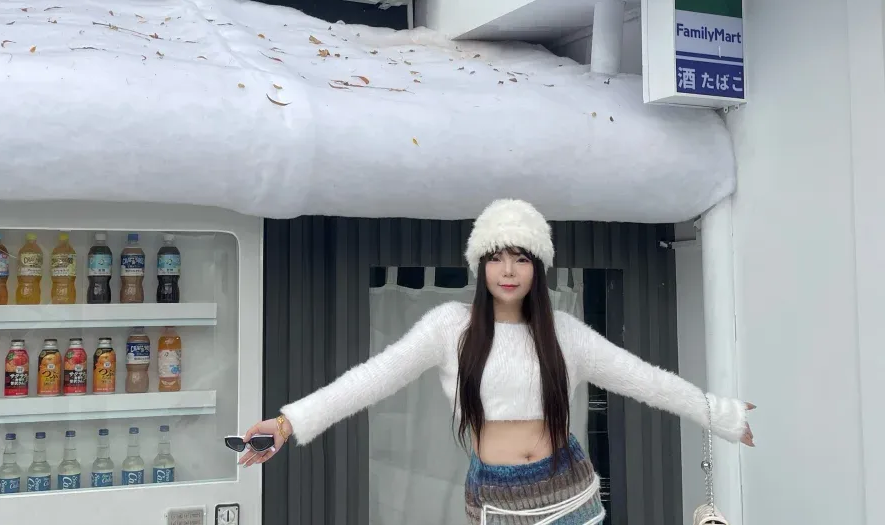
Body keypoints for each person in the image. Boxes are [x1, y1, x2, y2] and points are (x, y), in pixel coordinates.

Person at [239, 198, 755, 525]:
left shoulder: (565, 335)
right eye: (496, 257)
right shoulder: (450, 327)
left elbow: (646, 380)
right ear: (480, 265)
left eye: (521, 258)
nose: (508, 270)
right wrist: (288, 423)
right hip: (496, 503)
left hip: (572, 495)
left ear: (537, 268)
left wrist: (721, 414)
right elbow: (373, 378)